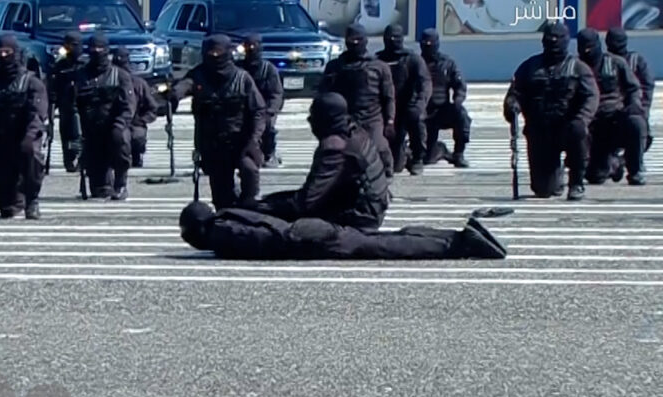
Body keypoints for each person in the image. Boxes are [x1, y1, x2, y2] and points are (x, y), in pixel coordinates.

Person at [251, 92, 391, 230]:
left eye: (313, 116)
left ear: (324, 119)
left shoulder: (335, 146)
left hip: (360, 217)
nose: (310, 121)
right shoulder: (355, 131)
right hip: (371, 207)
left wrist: (263, 207)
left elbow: (307, 202)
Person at [179, 202, 507, 260]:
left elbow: (266, 239)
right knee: (380, 239)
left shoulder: (219, 232)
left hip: (305, 238)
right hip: (307, 228)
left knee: (382, 247)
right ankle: (454, 236)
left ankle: (458, 244)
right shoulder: (226, 214)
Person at [504, 22, 599, 200]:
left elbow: (591, 97)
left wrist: (582, 119)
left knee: (579, 132)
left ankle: (576, 182)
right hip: (540, 132)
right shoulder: (529, 67)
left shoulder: (578, 68)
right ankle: (555, 175)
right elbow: (515, 92)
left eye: (558, 39)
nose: (554, 44)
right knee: (543, 190)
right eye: (550, 40)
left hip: (568, 128)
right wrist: (512, 105)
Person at [170, 35, 266, 209]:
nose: (215, 56)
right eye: (211, 53)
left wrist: (254, 139)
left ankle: (249, 203)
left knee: (249, 171)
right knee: (222, 197)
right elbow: (185, 85)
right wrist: (173, 94)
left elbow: (259, 110)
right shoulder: (199, 75)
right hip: (212, 144)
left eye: (218, 52)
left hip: (242, 141)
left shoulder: (242, 78)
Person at [0, 35, 49, 218]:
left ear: (16, 53)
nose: (3, 56)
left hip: (24, 134)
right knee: (7, 208)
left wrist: (29, 136)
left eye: (7, 52)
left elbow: (38, 114)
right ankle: (12, 197)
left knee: (31, 153)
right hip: (0, 136)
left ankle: (32, 199)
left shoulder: (31, 81)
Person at [317, 23, 396, 177]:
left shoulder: (379, 67)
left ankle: (386, 174)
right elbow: (324, 95)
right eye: (351, 41)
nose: (354, 44)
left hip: (371, 117)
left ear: (365, 41)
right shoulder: (335, 67)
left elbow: (389, 96)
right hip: (345, 118)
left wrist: (390, 120)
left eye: (358, 40)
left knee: (379, 146)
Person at [575, 27, 648, 186]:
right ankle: (612, 164)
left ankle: (636, 170)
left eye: (590, 47)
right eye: (584, 47)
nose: (587, 51)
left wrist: (634, 105)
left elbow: (633, 88)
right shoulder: (575, 66)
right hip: (590, 125)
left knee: (636, 122)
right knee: (595, 177)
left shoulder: (616, 63)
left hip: (614, 119)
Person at [73, 34, 135, 201]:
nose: (96, 51)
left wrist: (120, 123)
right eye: (93, 48)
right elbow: (71, 104)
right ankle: (101, 181)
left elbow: (129, 105)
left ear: (107, 51)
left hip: (114, 125)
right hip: (90, 129)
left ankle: (121, 183)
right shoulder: (80, 76)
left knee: (119, 139)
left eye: (100, 48)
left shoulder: (120, 75)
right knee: (99, 190)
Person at [375, 25, 432, 175]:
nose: (392, 41)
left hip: (408, 108)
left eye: (395, 38)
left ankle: (418, 157)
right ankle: (403, 152)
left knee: (417, 119)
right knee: (396, 166)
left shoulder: (412, 59)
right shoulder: (378, 60)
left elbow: (425, 84)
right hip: (387, 111)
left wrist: (419, 104)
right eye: (389, 38)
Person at [418, 29, 471, 168]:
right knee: (428, 159)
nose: (428, 48)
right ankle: (438, 149)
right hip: (422, 113)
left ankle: (458, 153)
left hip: (442, 110)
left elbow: (460, 85)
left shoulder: (447, 63)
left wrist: (458, 100)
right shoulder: (416, 63)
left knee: (462, 115)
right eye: (425, 44)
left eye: (431, 44)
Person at [237, 34, 284, 168]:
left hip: (264, 108)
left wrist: (270, 110)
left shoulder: (268, 69)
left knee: (267, 125)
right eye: (247, 47)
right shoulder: (238, 68)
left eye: (254, 46)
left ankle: (269, 153)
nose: (251, 50)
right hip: (242, 107)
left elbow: (276, 93)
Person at [114, 49, 163, 169]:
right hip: (113, 122)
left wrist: (141, 120)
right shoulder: (109, 82)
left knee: (137, 137)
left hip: (134, 123)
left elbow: (152, 107)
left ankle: (136, 154)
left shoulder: (139, 83)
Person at [607, 28, 655, 135]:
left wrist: (642, 108)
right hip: (611, 112)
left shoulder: (635, 60)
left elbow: (647, 86)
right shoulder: (605, 62)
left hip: (634, 110)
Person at [49, 33, 84, 173]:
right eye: (67, 46)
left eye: (73, 45)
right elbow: (54, 85)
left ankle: (82, 159)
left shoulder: (84, 65)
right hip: (65, 105)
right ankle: (69, 160)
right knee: (66, 134)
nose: (70, 49)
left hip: (82, 106)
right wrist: (53, 98)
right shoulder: (60, 65)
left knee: (80, 134)